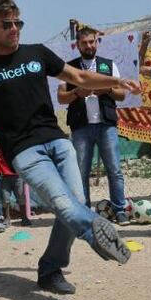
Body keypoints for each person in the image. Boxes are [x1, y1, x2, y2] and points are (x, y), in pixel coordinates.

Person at [0, 0, 140, 294]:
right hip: (23, 150)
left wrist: (115, 82)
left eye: (17, 22)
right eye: (6, 24)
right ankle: (97, 231)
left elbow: (80, 76)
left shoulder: (36, 53)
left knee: (75, 203)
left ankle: (50, 269)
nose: (14, 28)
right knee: (64, 205)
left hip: (58, 142)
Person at [57, 26, 129, 224]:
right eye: (84, 43)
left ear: (97, 43)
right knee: (81, 172)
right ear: (77, 45)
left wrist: (106, 90)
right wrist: (76, 93)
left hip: (106, 125)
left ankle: (120, 209)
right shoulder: (69, 68)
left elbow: (122, 95)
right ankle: (84, 211)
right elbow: (61, 97)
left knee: (114, 170)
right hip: (81, 127)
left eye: (92, 42)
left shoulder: (108, 65)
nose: (89, 46)